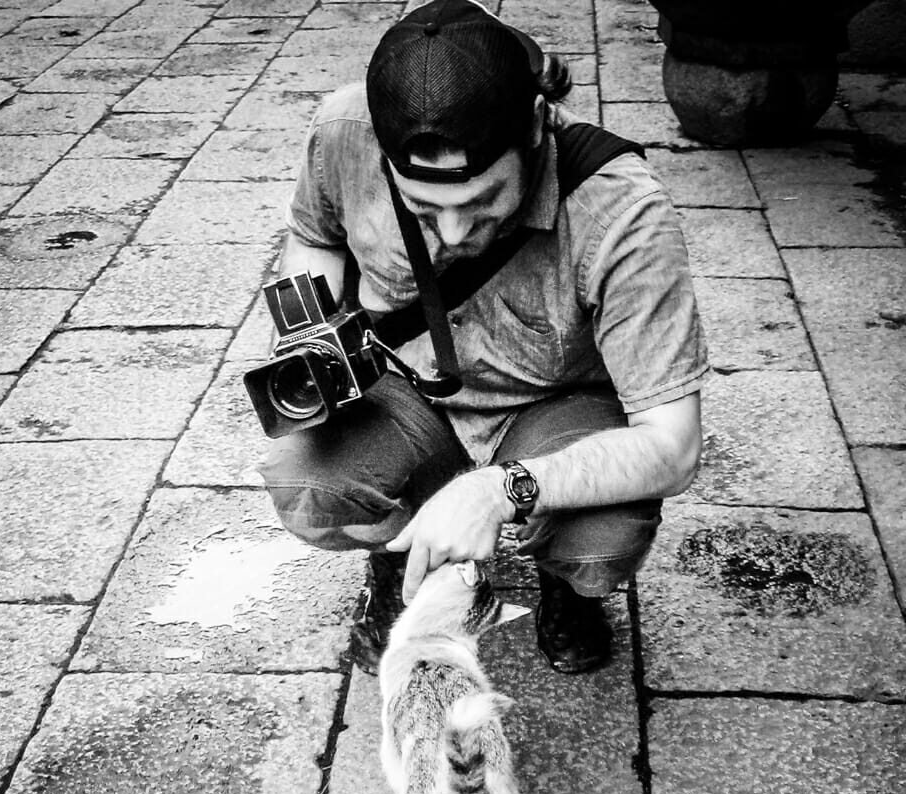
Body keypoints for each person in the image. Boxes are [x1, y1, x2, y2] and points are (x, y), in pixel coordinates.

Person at [259, 0, 707, 674]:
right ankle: (398, 560)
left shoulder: (624, 211)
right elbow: (315, 236)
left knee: (600, 541)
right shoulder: (342, 131)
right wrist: (310, 336)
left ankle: (564, 582)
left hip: (552, 410)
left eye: (479, 202)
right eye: (422, 209)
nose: (453, 234)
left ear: (534, 129)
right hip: (404, 392)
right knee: (310, 478)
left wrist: (497, 492)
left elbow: (673, 448)